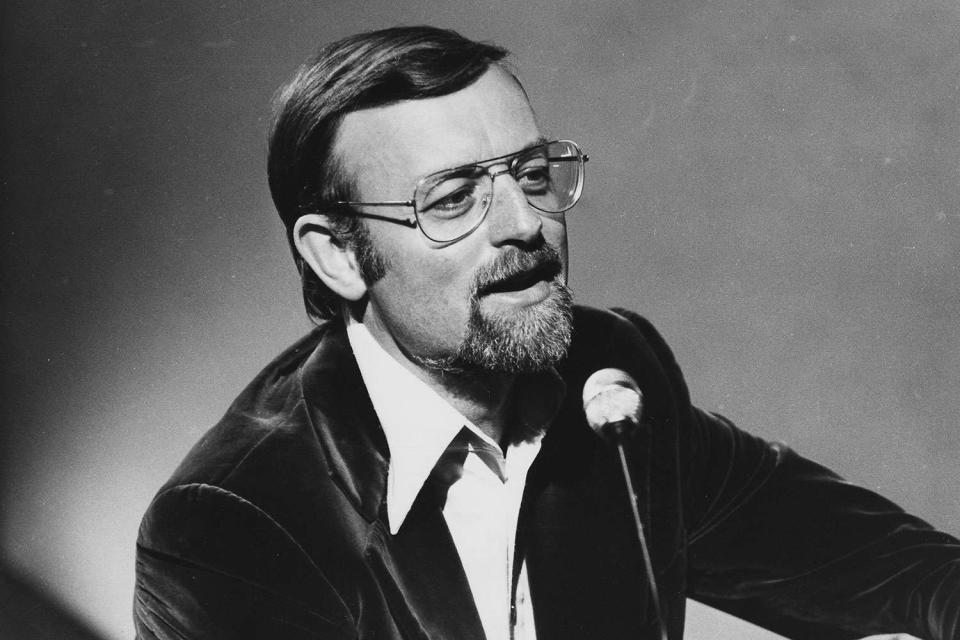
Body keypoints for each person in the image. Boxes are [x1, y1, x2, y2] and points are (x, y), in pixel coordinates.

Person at [132, 25, 960, 640]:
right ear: (339, 256)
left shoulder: (607, 376)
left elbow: (887, 567)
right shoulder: (232, 525)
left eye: (531, 174)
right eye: (452, 198)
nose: (526, 224)